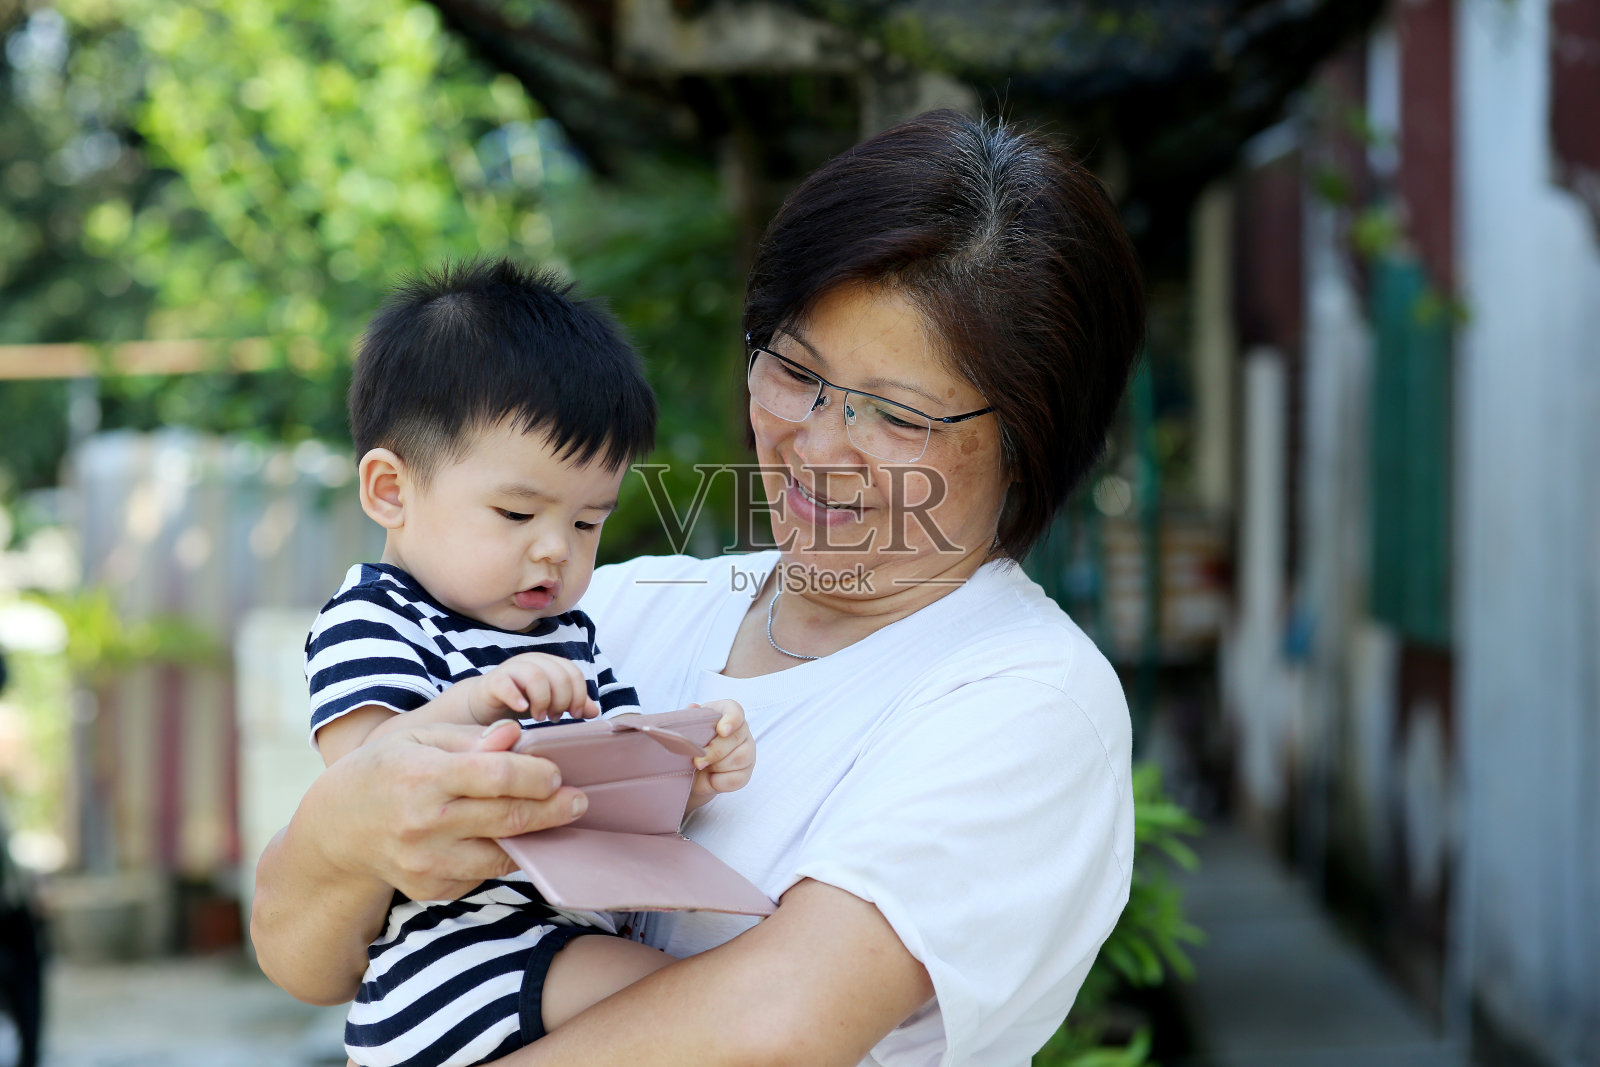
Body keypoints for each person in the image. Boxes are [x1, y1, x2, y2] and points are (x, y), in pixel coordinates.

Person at [253, 109, 1145, 1066]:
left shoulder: (1026, 698)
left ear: (1028, 444)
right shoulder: (609, 612)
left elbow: (774, 1027)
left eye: (895, 414)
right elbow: (312, 958)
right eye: (795, 369)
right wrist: (349, 828)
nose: (818, 442)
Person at [304, 258, 755, 1067]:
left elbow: (616, 782)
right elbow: (365, 777)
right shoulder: (372, 618)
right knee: (698, 1003)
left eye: (588, 523)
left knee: (695, 1001)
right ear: (388, 490)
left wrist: (693, 766)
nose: (555, 549)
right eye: (517, 512)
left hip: (555, 941)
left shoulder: (567, 630)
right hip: (459, 963)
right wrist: (478, 704)